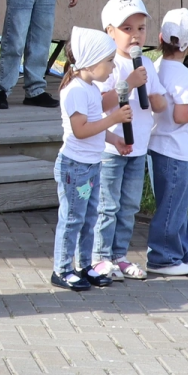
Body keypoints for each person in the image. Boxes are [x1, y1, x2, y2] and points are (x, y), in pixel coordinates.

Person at [92, 0, 167, 281]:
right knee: (107, 205)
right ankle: (99, 257)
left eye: (141, 28)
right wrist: (129, 84)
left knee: (129, 206)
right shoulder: (108, 64)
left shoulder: (146, 63)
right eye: (127, 29)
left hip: (138, 149)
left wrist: (160, 100)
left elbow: (157, 102)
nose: (135, 35)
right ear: (109, 32)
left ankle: (118, 255)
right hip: (112, 148)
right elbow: (100, 104)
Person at [52, 26, 131, 291]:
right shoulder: (75, 91)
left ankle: (84, 265)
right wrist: (115, 118)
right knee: (72, 218)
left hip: (91, 165)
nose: (112, 67)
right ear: (91, 61)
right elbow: (81, 130)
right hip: (75, 168)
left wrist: (114, 138)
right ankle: (62, 269)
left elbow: (95, 125)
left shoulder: (90, 89)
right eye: (109, 62)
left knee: (88, 219)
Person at [147, 8, 188, 276]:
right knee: (174, 204)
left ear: (160, 37)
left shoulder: (155, 67)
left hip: (154, 145)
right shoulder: (186, 76)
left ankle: (183, 249)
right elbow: (181, 115)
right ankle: (163, 256)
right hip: (174, 150)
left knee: (173, 202)